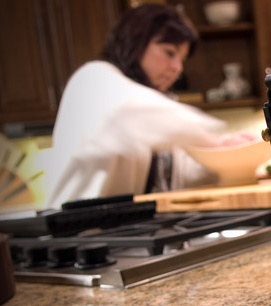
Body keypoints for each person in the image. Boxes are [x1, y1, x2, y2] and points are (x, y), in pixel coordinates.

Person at [44, 3, 255, 208]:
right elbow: (136, 113)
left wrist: (232, 158)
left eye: (182, 59)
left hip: (121, 228)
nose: (177, 68)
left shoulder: (157, 108)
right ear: (135, 43)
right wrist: (214, 140)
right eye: (169, 52)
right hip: (74, 228)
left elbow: (182, 176)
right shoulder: (93, 79)